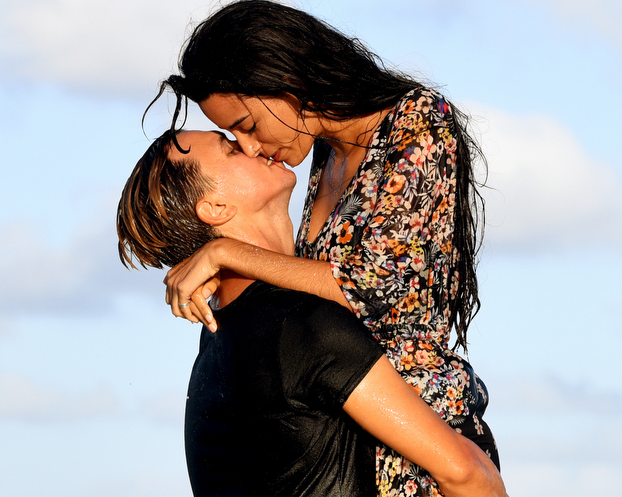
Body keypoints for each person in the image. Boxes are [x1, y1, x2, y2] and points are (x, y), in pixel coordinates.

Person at [152, 0, 497, 496]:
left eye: (246, 127)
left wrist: (226, 253)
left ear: (284, 79)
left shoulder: (417, 126)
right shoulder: (325, 153)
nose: (250, 146)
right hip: (352, 445)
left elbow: (369, 287)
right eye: (233, 137)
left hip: (427, 459)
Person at [116, 128, 507, 497]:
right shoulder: (298, 325)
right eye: (231, 148)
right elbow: (465, 473)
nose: (252, 145)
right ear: (215, 208)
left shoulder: (220, 340)